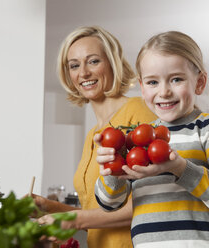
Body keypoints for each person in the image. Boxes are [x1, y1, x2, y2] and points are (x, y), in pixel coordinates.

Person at [94, 31, 209, 247]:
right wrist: (112, 171)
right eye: (152, 82)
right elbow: (109, 204)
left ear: (199, 82)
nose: (164, 91)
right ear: (142, 86)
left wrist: (181, 168)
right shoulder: (137, 138)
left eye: (176, 79)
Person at [33, 26, 157, 248]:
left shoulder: (137, 113)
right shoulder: (93, 134)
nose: (83, 73)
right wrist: (49, 207)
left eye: (93, 61)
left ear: (112, 63)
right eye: (74, 65)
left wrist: (74, 220)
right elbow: (101, 214)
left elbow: (151, 204)